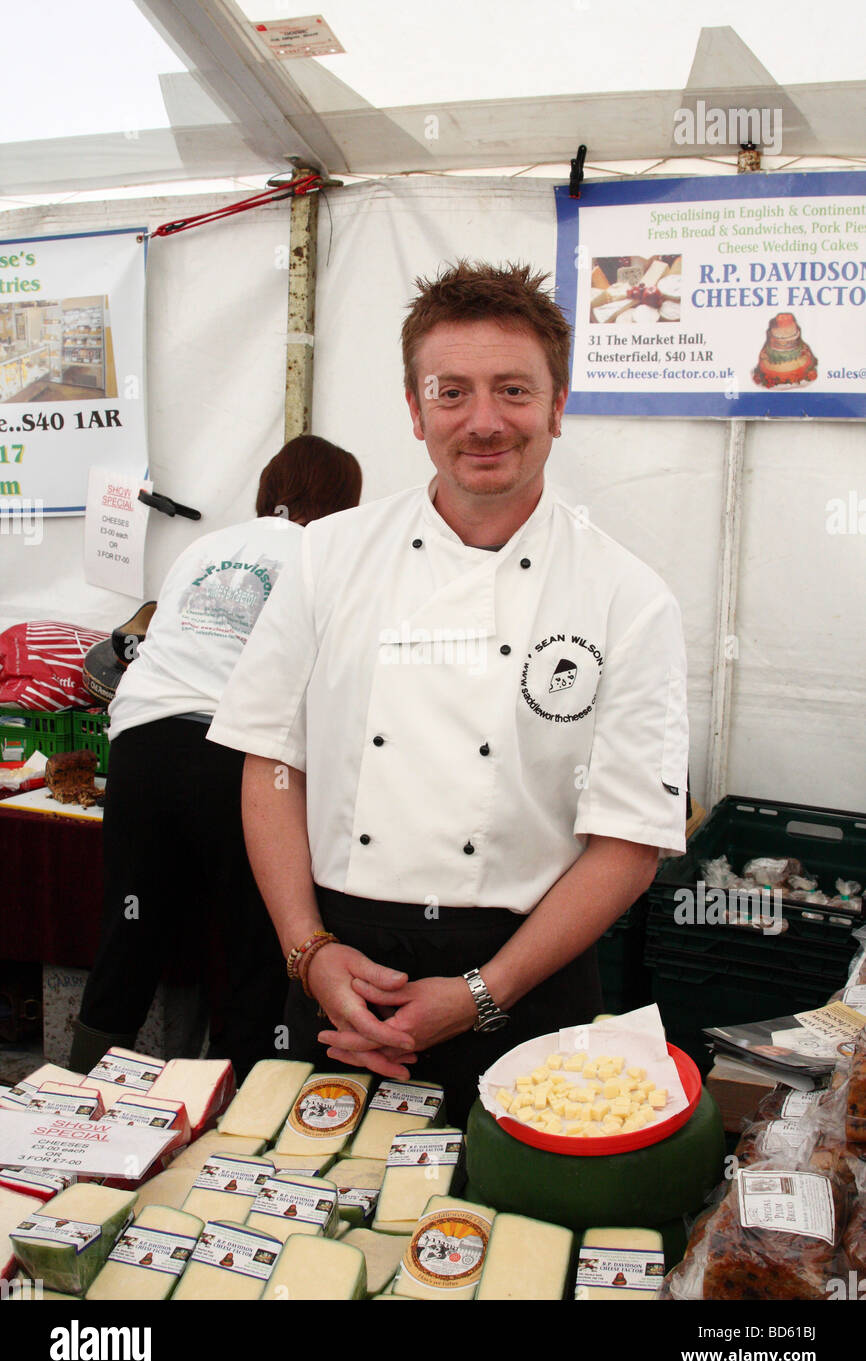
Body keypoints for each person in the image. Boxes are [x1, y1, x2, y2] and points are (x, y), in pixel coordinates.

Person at [209, 262, 689, 1125]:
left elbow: (628, 844)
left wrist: (482, 993)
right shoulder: (328, 557)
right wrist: (308, 951)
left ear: (558, 405)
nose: (484, 421)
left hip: (526, 979)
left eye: (513, 389)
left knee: (513, 1236)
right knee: (320, 1225)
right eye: (452, 392)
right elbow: (270, 764)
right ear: (414, 406)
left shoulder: (629, 597)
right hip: (341, 974)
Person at [69, 435, 363, 1079]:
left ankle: (78, 1098)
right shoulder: (329, 553)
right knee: (258, 941)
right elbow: (337, 680)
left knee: (129, 931)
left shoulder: (202, 547)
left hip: (143, 744)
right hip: (239, 757)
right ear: (345, 504)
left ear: (268, 489)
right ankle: (238, 1111)